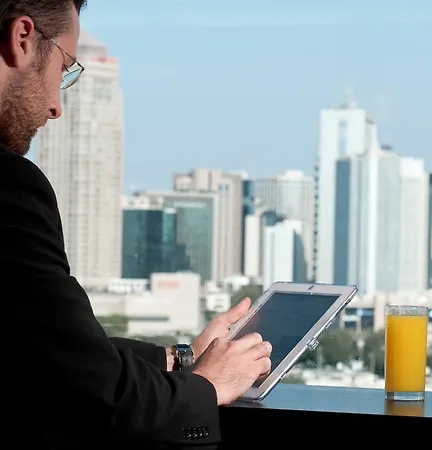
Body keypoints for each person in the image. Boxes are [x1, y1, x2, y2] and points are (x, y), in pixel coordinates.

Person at [0, 1, 272, 448]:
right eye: (64, 69)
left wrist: (182, 358)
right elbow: (95, 392)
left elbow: (53, 349)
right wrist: (208, 386)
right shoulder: (7, 187)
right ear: (23, 38)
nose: (55, 107)